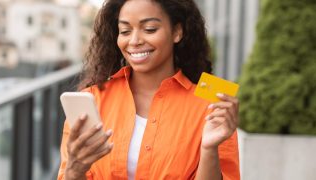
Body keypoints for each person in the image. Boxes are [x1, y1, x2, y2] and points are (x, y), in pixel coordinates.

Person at [58, 0, 240, 179]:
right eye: (125, 31)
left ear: (177, 32)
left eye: (150, 29)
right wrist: (74, 172)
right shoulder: (92, 99)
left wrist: (208, 149)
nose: (134, 41)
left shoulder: (214, 101)